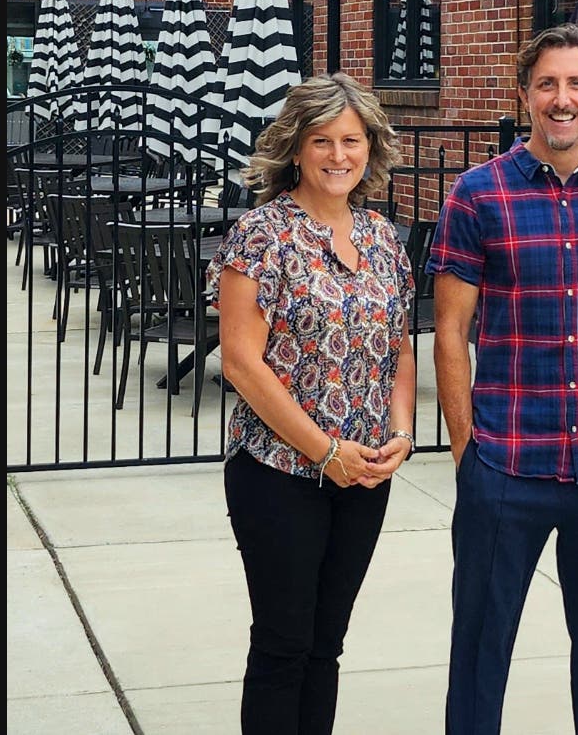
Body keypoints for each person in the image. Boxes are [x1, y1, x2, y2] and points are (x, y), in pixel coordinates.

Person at [427, 22, 578, 735]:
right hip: (505, 459)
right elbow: (449, 332)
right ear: (524, 94)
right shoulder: (477, 194)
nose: (560, 99)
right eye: (546, 84)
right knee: (479, 653)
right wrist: (466, 451)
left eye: (575, 84)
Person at [205, 72, 416, 735]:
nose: (337, 155)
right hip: (279, 474)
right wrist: (324, 451)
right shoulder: (262, 233)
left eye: (350, 140)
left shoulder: (383, 237)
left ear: (370, 148)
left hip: (364, 476)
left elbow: (398, 347)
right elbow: (241, 361)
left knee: (327, 645)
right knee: (283, 644)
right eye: (322, 140)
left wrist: (402, 432)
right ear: (296, 147)